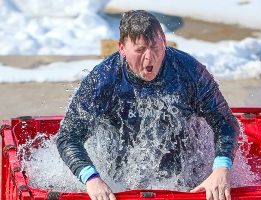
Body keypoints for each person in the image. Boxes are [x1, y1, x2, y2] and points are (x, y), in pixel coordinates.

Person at [56, 10, 240, 200]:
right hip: (120, 181)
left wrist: (221, 168)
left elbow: (226, 122)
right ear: (121, 48)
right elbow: (68, 137)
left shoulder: (189, 71)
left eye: (155, 46)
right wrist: (91, 179)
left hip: (186, 179)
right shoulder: (103, 80)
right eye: (140, 49)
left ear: (165, 42)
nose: (149, 57)